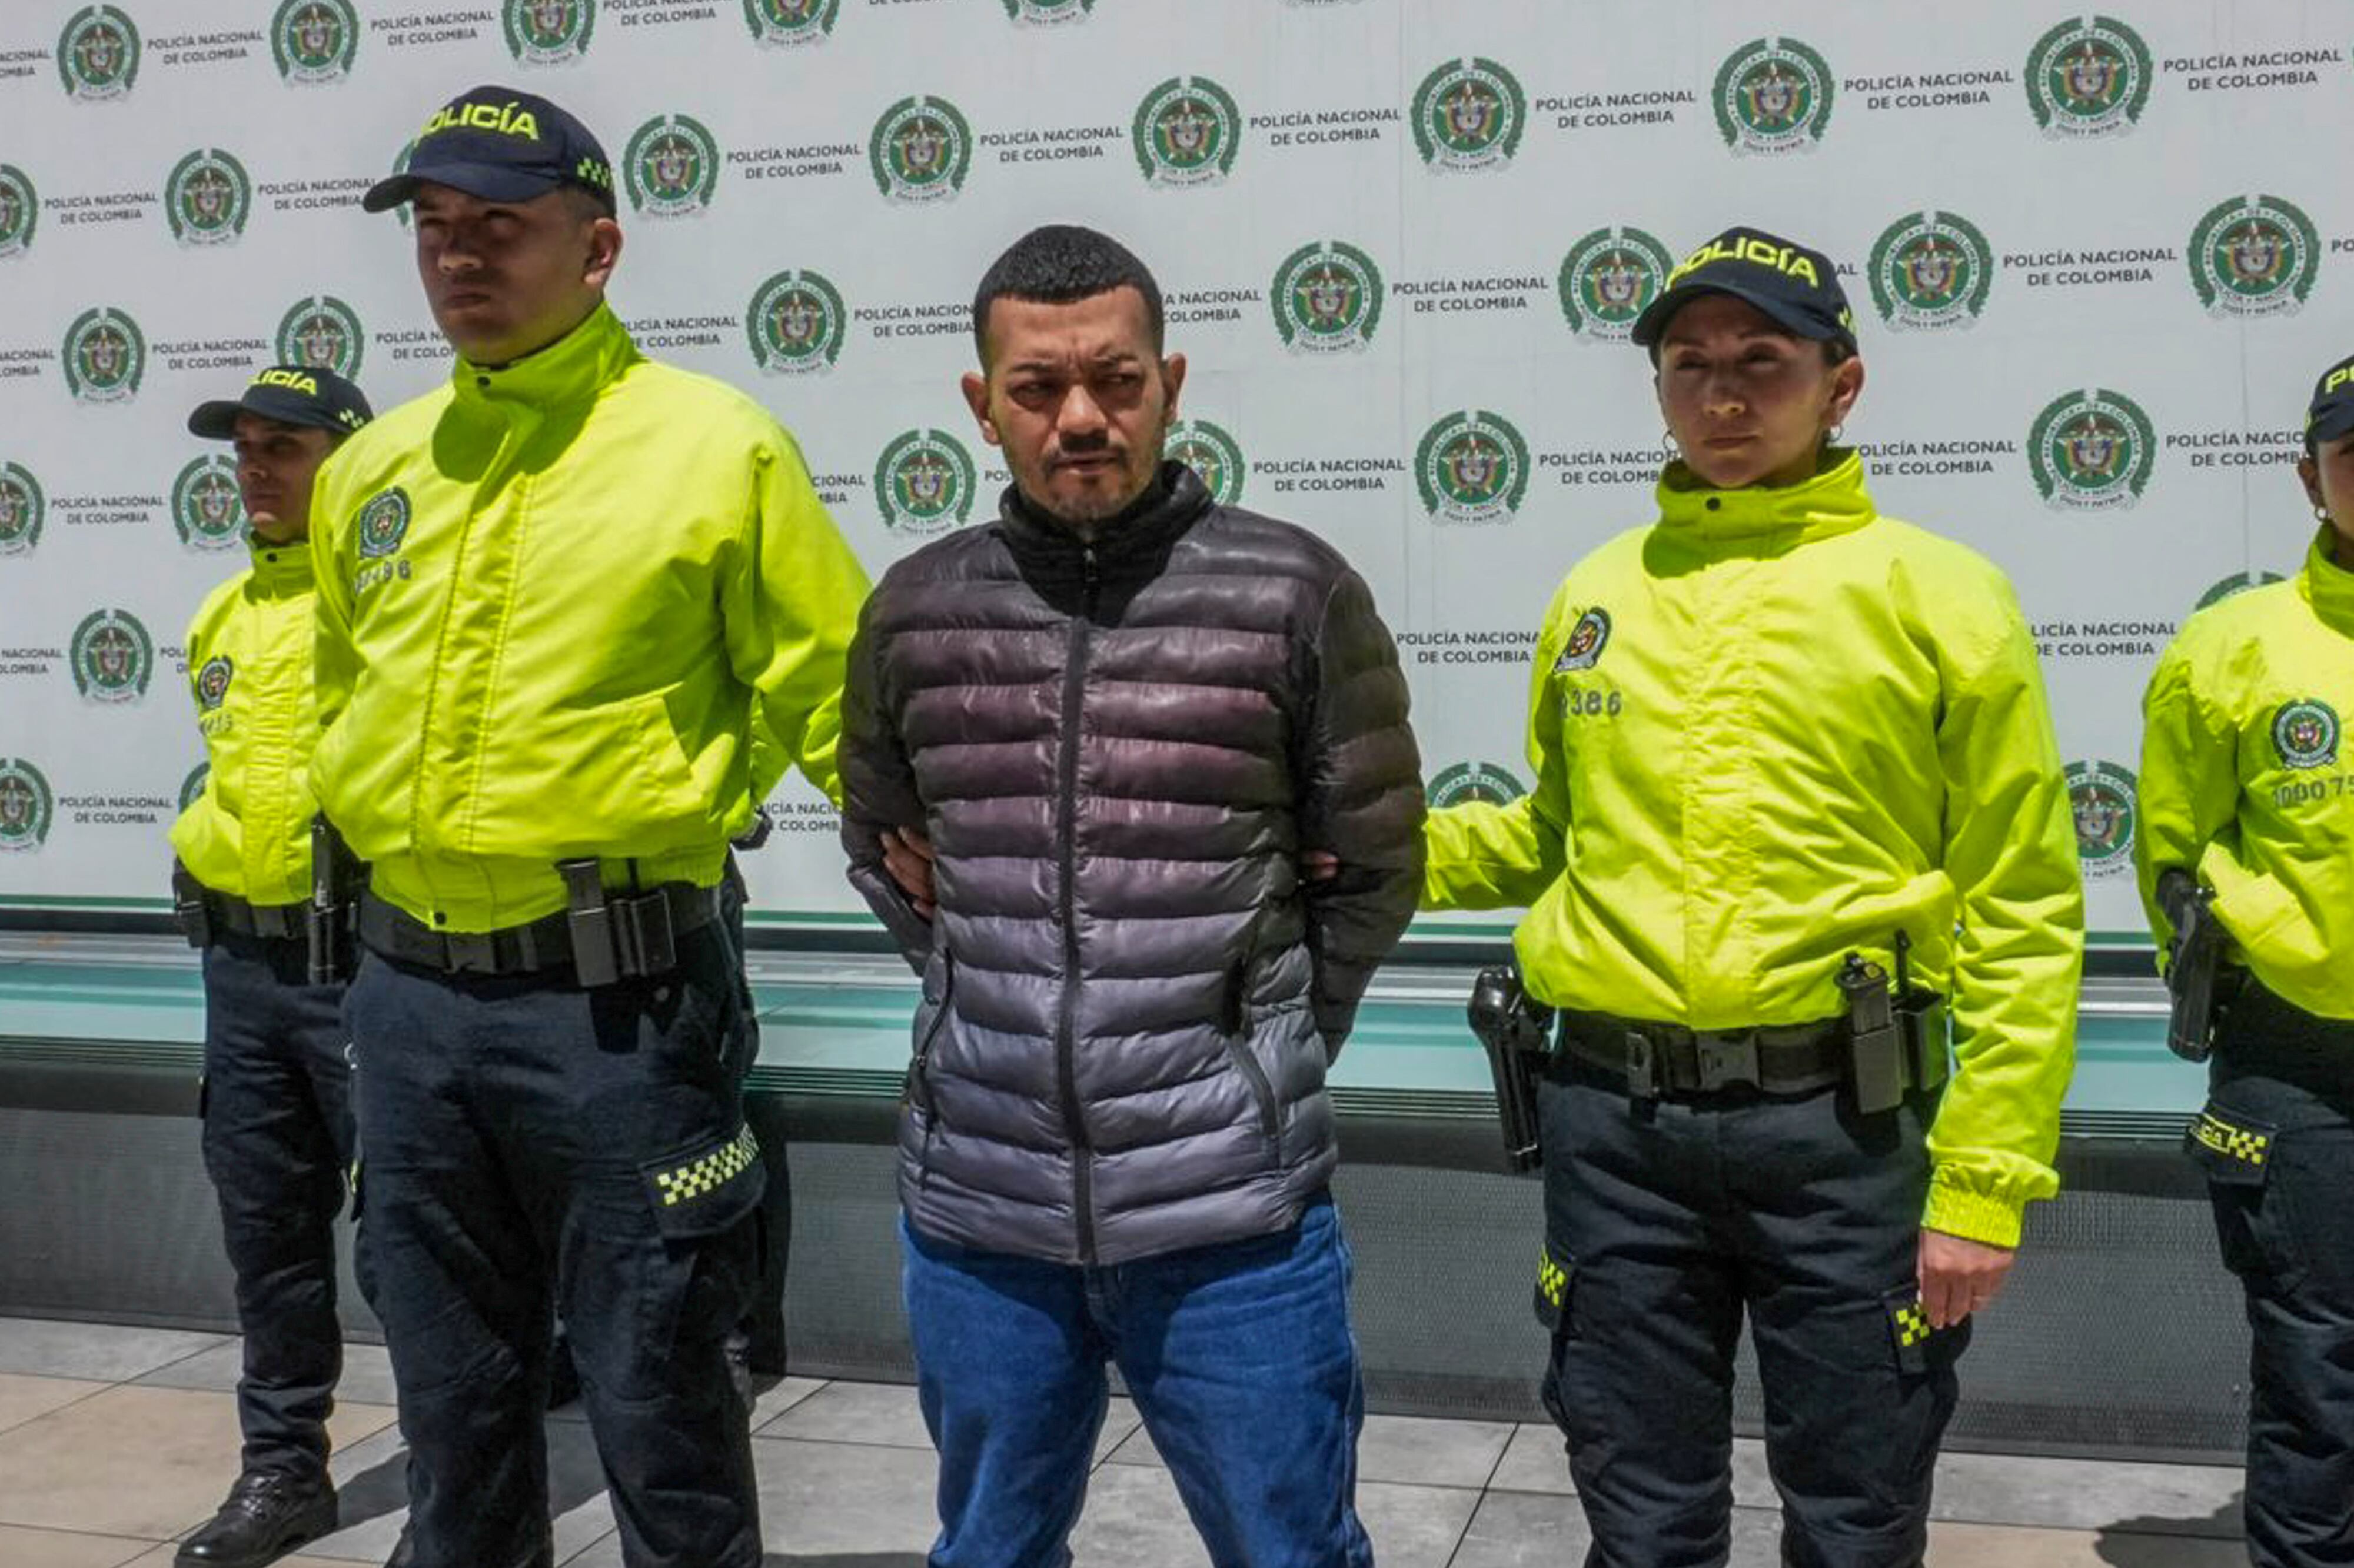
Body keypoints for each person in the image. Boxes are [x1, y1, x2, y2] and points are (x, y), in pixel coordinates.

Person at [1419, 227, 2084, 1567]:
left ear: (1842, 385)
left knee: (1855, 1515)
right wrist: (1351, 841)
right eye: (1690, 365)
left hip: (1844, 1135)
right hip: (1614, 1131)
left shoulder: (1942, 597)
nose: (1722, 396)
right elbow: (1552, 835)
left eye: (1761, 362)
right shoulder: (1600, 593)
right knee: (1640, 1516)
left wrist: (1982, 1183)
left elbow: (2023, 902)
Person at [310, 85, 868, 1568]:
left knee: (661, 1404)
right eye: (435, 228)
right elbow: (340, 708)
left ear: (599, 248)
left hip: (620, 1020)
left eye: (501, 227)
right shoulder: (371, 471)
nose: (458, 258)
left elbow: (842, 706)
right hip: (408, 1011)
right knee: (451, 1418)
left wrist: (971, 897)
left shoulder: (717, 451)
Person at [836, 224, 1424, 1568]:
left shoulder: (1293, 593)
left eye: (1114, 380)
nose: (1081, 417)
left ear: (1170, 382)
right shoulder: (915, 611)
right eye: (1037, 387)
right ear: (982, 403)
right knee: (987, 1550)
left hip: (1230, 1222)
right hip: (981, 1211)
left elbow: (1376, 866)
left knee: (1290, 1551)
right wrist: (993, 993)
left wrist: (1250, 1047)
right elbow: (885, 844)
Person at [2136, 352, 2354, 1568]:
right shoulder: (2231, 647)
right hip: (2299, 1065)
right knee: (2317, 1368)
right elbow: (2171, 856)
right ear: (2309, 477)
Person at [169, 364, 373, 1568]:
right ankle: (283, 1470)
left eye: (282, 448)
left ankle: (466, 1486)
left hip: (363, 969)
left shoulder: (389, 608)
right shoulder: (220, 614)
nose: (254, 468)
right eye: (243, 448)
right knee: (267, 1231)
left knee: (411, 1242)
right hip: (240, 972)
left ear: (347, 463)